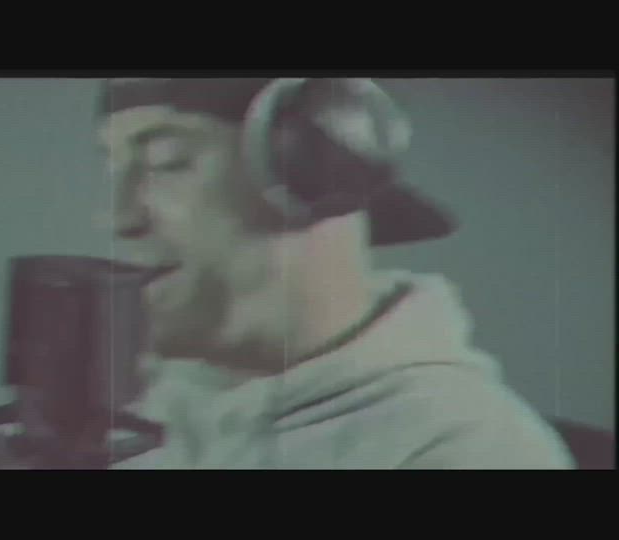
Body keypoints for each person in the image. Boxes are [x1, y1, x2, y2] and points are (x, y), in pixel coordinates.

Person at [94, 77, 574, 469]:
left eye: (166, 162)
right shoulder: (122, 419)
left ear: (320, 166)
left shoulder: (466, 451)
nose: (119, 219)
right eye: (114, 167)